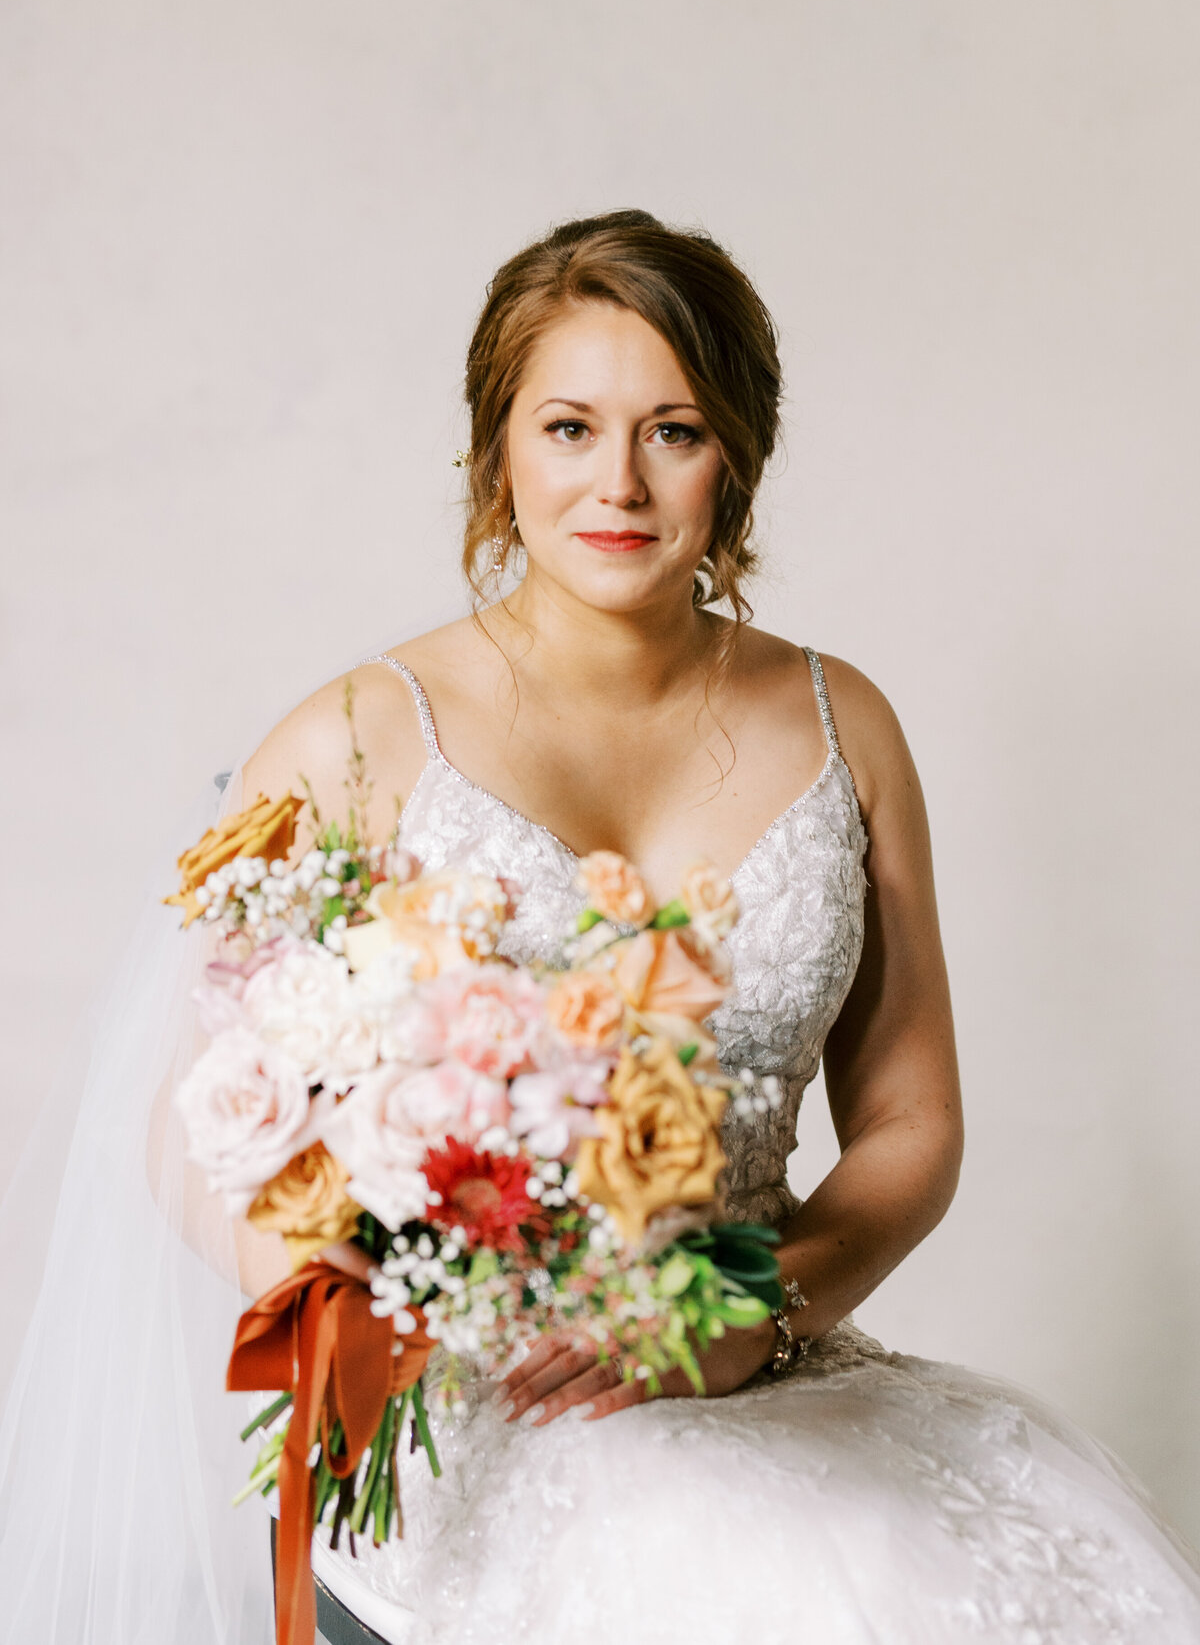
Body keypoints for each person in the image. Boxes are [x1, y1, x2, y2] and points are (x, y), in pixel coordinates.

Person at [0, 210, 1195, 1645]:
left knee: (991, 1575)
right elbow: (190, 1118)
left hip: (755, 1364)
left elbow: (909, 1121)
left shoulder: (844, 723)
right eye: (569, 427)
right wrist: (373, 1310)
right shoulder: (360, 738)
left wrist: (765, 1310)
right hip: (480, 1403)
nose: (617, 483)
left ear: (735, 455)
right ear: (497, 447)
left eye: (673, 430)